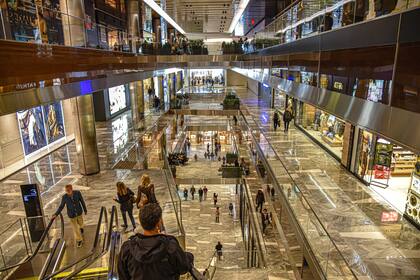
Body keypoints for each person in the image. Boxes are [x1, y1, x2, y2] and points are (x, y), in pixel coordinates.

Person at [118, 203, 194, 280]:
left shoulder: (127, 248)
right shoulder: (170, 246)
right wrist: (189, 257)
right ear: (158, 222)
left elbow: (123, 276)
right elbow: (183, 268)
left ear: (141, 222)